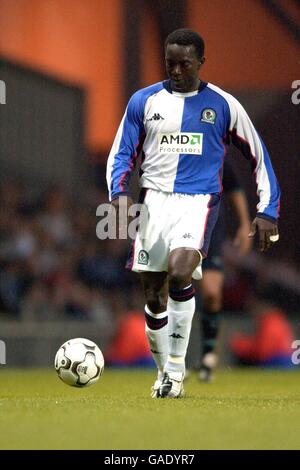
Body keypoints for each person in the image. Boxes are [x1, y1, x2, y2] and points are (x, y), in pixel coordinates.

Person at [106, 28, 280, 398]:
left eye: (185, 63)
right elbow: (121, 152)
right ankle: (162, 374)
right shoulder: (144, 101)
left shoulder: (224, 105)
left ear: (201, 61)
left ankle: (175, 370)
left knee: (182, 269)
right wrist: (119, 193)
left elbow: (258, 157)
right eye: (170, 63)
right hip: (153, 202)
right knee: (153, 296)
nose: (177, 71)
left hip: (197, 201)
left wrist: (268, 210)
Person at [197, 159, 252, 382]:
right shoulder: (173, 147)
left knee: (211, 293)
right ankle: (171, 360)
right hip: (176, 224)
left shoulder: (215, 151)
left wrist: (244, 223)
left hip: (211, 231)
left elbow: (234, 186)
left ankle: (208, 354)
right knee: (174, 290)